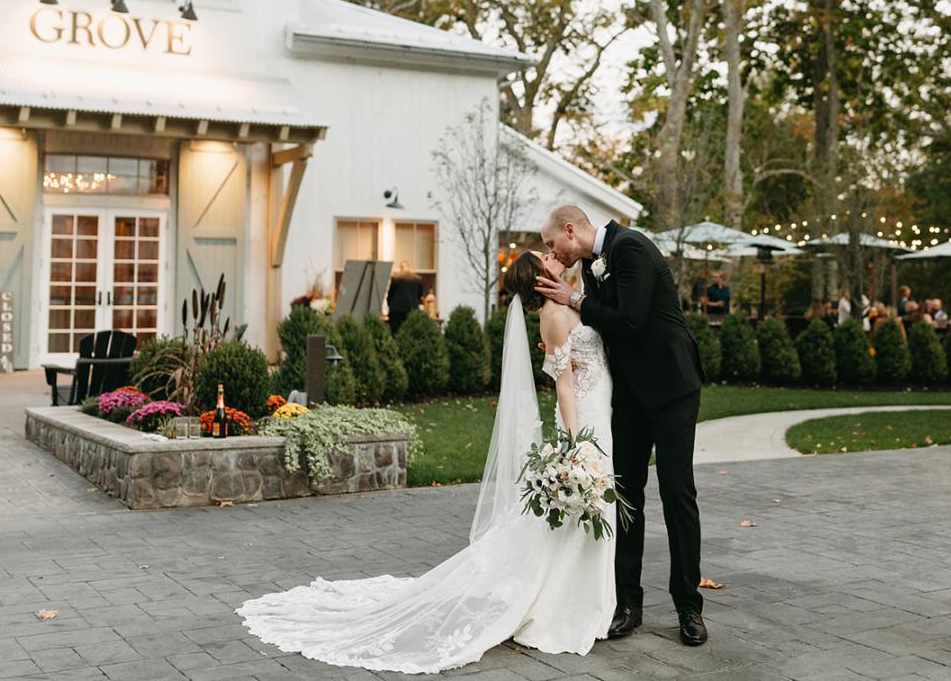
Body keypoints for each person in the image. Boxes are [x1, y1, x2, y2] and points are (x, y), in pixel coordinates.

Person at [238, 250, 615, 672]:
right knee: (580, 510)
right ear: (539, 277)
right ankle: (564, 603)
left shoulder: (563, 304)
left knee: (582, 514)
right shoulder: (554, 316)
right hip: (583, 421)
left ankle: (577, 597)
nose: (552, 255)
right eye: (544, 256)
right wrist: (574, 444)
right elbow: (564, 386)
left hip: (596, 411)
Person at [535, 205, 708, 648]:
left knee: (677, 492)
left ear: (570, 230)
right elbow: (599, 323)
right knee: (626, 493)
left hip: (671, 387)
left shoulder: (631, 248)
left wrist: (573, 300)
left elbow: (630, 320)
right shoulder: (591, 266)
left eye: (552, 243)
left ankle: (688, 606)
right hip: (629, 395)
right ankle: (628, 603)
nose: (551, 251)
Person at [385, 261, 425, 334]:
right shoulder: (418, 279)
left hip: (396, 311)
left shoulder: (395, 278)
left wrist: (389, 305)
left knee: (396, 333)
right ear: (409, 268)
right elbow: (420, 296)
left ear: (400, 268)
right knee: (411, 333)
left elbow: (390, 295)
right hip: (412, 310)